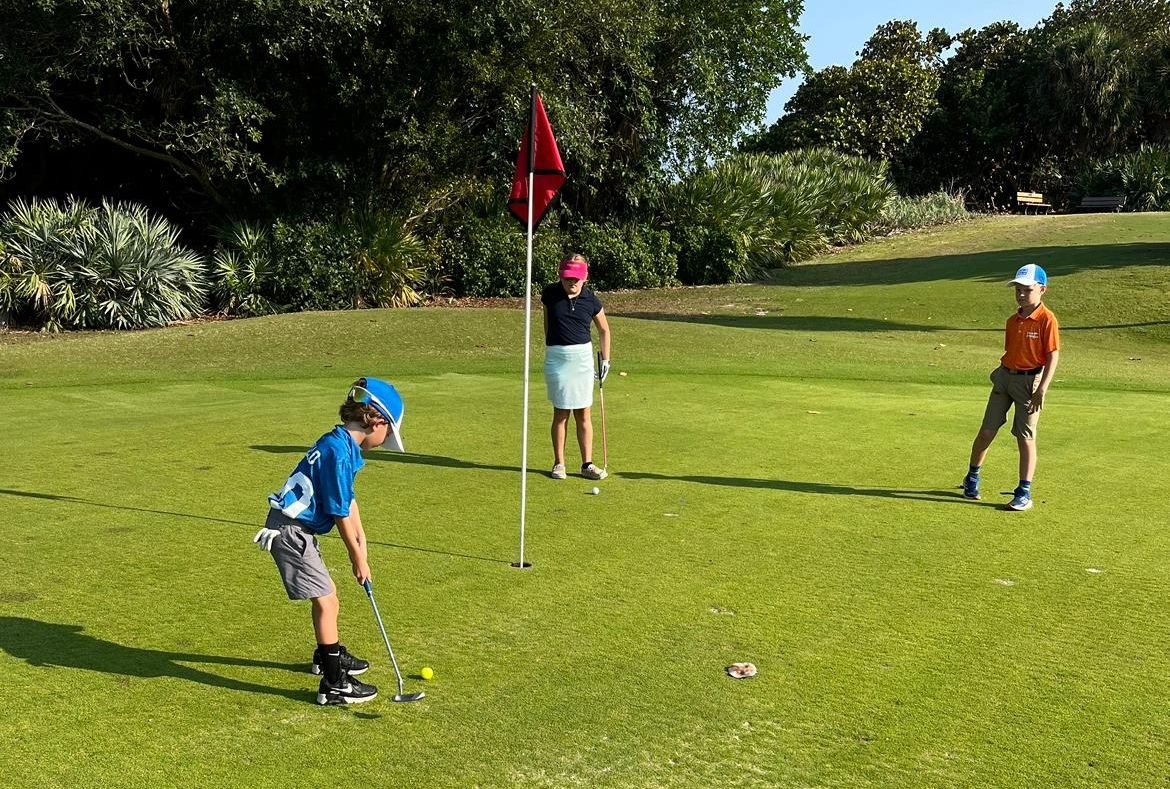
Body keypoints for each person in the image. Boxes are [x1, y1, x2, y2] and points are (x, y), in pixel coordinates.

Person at [252, 377, 405, 704]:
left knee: (327, 599)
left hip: (295, 529)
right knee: (327, 600)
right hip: (289, 531)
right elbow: (337, 512)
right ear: (376, 420)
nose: (385, 439)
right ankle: (334, 684)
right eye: (388, 433)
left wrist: (362, 540)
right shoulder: (338, 452)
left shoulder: (340, 444)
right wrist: (356, 557)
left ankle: (327, 656)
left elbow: (347, 499)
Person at [962, 264, 1060, 511]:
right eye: (1018, 289)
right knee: (987, 431)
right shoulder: (1012, 320)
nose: (1021, 294)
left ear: (1042, 289)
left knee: (1025, 436)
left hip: (1030, 383)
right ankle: (972, 478)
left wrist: (1042, 390)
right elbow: (1010, 351)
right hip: (1005, 377)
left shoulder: (1047, 320)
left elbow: (1052, 357)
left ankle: (1024, 492)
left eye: (1027, 289)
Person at [541, 253, 611, 481]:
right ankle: (559, 463)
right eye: (567, 278)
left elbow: (604, 330)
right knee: (560, 412)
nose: (571, 282)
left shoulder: (591, 300)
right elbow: (547, 323)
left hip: (581, 359)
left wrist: (606, 360)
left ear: (585, 278)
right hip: (557, 358)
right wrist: (551, 347)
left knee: (583, 412)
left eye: (576, 278)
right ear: (561, 276)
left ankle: (587, 464)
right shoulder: (550, 294)